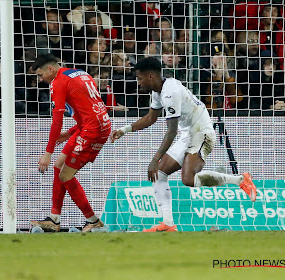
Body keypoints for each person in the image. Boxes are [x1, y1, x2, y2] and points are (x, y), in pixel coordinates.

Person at [110, 57, 257, 232]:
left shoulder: (169, 92)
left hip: (202, 132)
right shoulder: (158, 91)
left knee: (188, 179)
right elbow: (150, 118)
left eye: (140, 78)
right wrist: (124, 130)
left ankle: (240, 180)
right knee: (159, 173)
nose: (138, 82)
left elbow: (171, 132)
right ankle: (168, 224)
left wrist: (155, 158)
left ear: (150, 76)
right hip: (188, 134)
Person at [30, 53, 111, 232]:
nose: (41, 79)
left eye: (40, 75)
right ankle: (54, 219)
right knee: (59, 166)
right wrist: (69, 134)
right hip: (94, 124)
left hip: (92, 130)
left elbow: (57, 120)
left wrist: (47, 153)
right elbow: (90, 111)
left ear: (50, 68)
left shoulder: (57, 82)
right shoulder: (79, 73)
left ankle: (93, 220)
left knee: (65, 175)